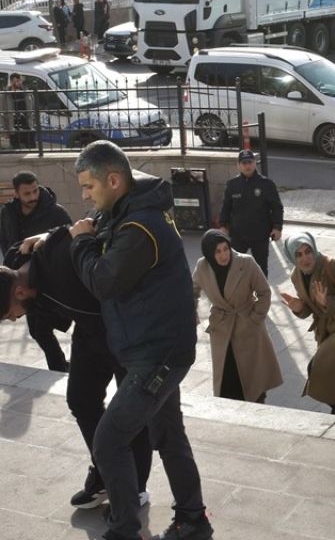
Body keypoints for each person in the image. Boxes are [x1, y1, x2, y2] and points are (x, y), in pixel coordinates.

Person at [68, 140, 212, 540]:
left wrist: (79, 243)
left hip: (158, 355)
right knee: (167, 434)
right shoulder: (130, 211)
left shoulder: (139, 226)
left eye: (89, 188)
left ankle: (125, 529)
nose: (84, 197)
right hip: (157, 348)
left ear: (113, 180)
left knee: (109, 439)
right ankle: (192, 514)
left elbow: (104, 280)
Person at [0, 225, 155, 512]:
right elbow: (31, 249)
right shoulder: (19, 263)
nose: (15, 319)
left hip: (123, 334)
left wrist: (55, 234)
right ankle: (105, 474)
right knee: (80, 400)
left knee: (129, 413)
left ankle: (133, 489)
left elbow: (86, 232)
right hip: (90, 334)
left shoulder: (61, 269)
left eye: (9, 314)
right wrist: (43, 237)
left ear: (19, 291)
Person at [278, 231, 335, 416]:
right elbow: (310, 310)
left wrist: (328, 301)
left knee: (318, 368)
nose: (306, 258)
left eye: (308, 251)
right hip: (329, 331)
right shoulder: (296, 276)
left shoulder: (333, 265)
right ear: (291, 257)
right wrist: (298, 308)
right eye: (299, 254)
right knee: (334, 376)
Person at [191, 230, 283, 403]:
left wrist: (255, 318)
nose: (224, 255)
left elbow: (264, 292)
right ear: (209, 253)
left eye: (225, 248)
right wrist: (192, 311)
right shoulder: (203, 266)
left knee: (253, 380)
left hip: (247, 326)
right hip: (222, 328)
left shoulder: (245, 262)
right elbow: (193, 290)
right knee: (227, 379)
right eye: (217, 251)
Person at [0, 171, 73, 369]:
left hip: (49, 280)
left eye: (35, 191)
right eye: (27, 194)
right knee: (38, 330)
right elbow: (4, 239)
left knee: (43, 326)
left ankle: (61, 365)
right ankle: (58, 364)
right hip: (23, 279)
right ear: (16, 194)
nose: (33, 197)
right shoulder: (8, 212)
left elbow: (69, 239)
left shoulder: (56, 212)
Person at [220, 149, 284, 276]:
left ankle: (262, 295)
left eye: (249, 162)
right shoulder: (232, 185)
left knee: (261, 270)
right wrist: (223, 226)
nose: (247, 166)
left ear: (255, 163)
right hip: (238, 235)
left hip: (260, 235)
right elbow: (226, 207)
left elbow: (277, 207)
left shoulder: (267, 184)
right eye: (244, 163)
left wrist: (277, 227)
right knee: (235, 268)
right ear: (238, 166)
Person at [0, 72, 36, 150]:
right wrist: (4, 129)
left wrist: (33, 124)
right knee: (16, 151)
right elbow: (1, 114)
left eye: (19, 81)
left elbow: (33, 110)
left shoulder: (28, 94)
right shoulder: (3, 96)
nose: (18, 83)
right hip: (13, 128)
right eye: (15, 81)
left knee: (32, 150)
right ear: (11, 82)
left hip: (27, 127)